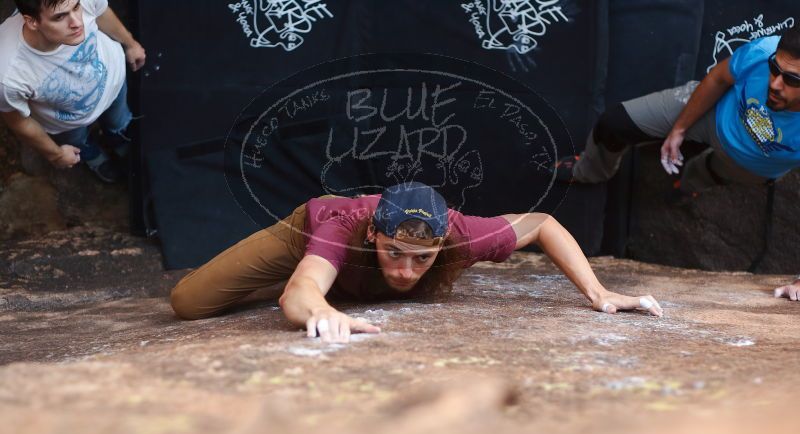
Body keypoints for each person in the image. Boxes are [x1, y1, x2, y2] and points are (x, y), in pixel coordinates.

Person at [170, 182, 663, 343]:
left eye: (422, 259)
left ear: (444, 241)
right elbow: (298, 293)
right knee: (189, 302)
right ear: (373, 234)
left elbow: (540, 223)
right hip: (309, 238)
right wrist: (317, 309)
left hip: (343, 268)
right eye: (394, 254)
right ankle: (328, 282)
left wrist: (598, 293)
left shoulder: (464, 234)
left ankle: (334, 285)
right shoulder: (343, 225)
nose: (406, 270)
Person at [556, 26, 800, 302]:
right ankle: (590, 170)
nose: (775, 84)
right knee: (614, 123)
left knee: (707, 172)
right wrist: (680, 129)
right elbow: (719, 79)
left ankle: (689, 186)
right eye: (774, 69)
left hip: (752, 163)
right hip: (715, 113)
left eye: (792, 79)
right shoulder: (763, 51)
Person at [0, 0, 146, 183]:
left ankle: (118, 138)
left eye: (76, 7)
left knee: (119, 122)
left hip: (113, 82)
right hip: (67, 124)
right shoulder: (8, 73)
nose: (78, 22)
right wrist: (56, 154)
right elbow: (19, 121)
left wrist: (130, 43)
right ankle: (92, 155)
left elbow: (101, 12)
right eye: (60, 17)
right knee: (79, 144)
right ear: (32, 22)